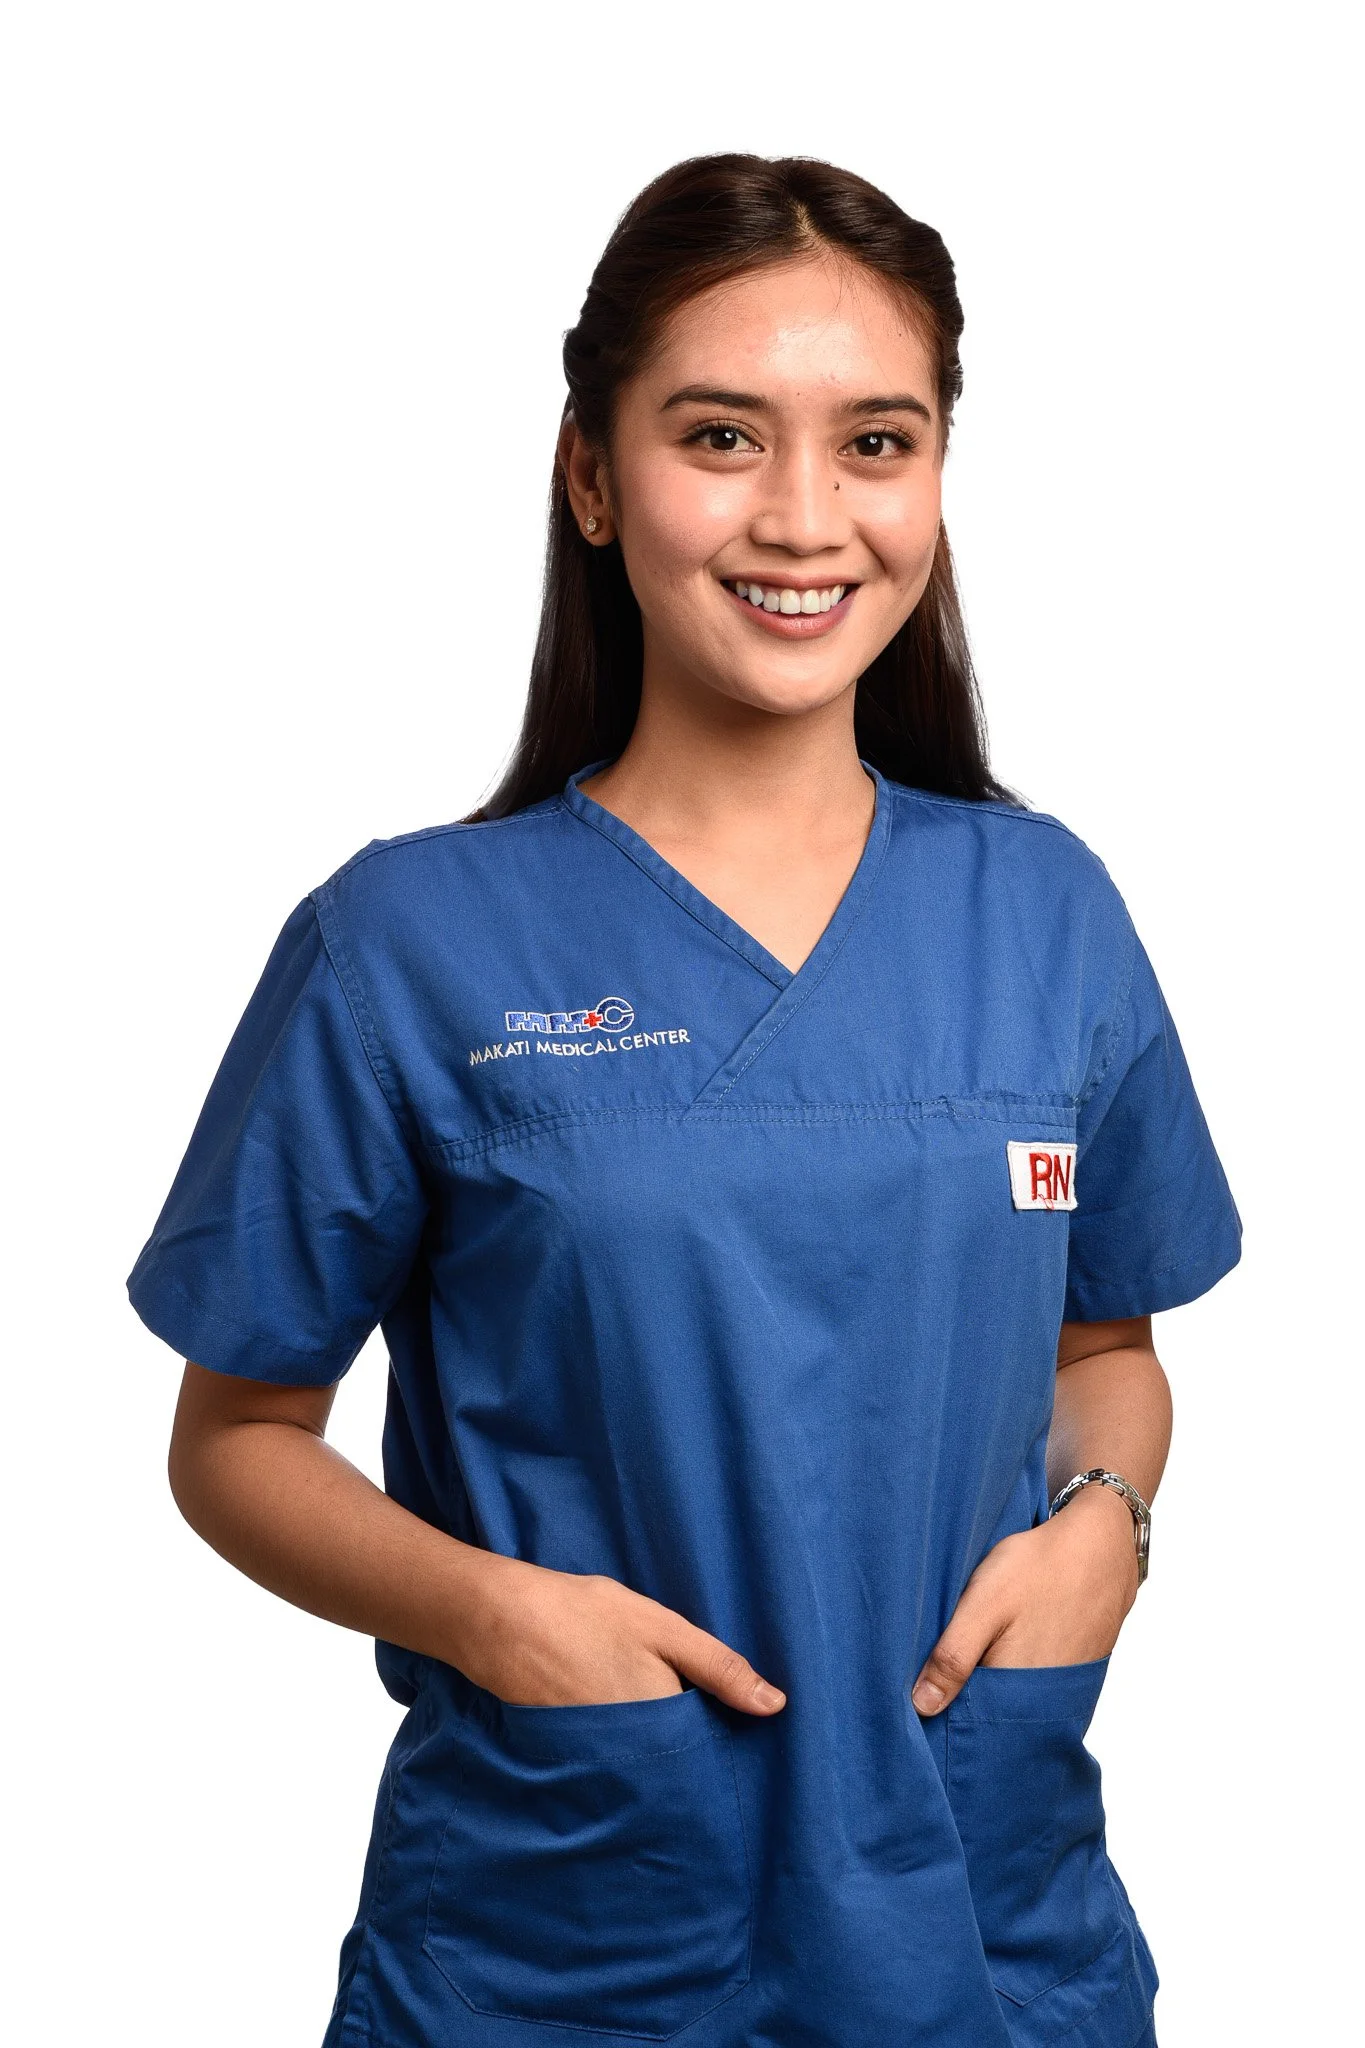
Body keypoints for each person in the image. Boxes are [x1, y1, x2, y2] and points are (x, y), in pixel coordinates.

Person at [127, 153, 1241, 2048]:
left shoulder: (1045, 909)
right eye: (721, 435)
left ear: (939, 480)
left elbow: (1107, 1341)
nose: (805, 518)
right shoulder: (407, 941)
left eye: (876, 442)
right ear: (591, 473)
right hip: (573, 1938)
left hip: (992, 1923)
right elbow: (234, 1439)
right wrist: (500, 1621)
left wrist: (1110, 1528)